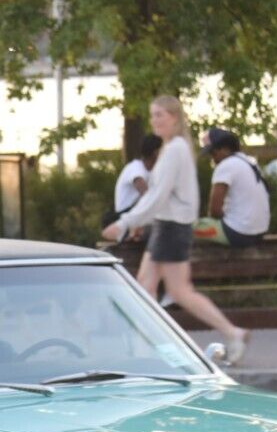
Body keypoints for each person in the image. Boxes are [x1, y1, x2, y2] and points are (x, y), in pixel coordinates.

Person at [100, 95, 251, 364]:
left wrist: (125, 223)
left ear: (175, 118)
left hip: (171, 227)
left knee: (177, 291)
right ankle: (149, 350)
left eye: (160, 115)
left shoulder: (175, 150)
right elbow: (157, 197)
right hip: (167, 226)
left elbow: (157, 195)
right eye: (152, 115)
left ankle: (227, 334)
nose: (154, 120)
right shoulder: (174, 149)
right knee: (145, 289)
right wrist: (132, 222)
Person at [194, 127, 270, 248]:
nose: (212, 159)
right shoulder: (249, 162)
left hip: (237, 234)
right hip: (259, 232)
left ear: (225, 148)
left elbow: (214, 210)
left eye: (213, 153)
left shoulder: (225, 165)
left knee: (184, 229)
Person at [106, 134, 161, 233]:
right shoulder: (136, 168)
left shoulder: (152, 171)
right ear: (155, 153)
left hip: (136, 217)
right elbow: (147, 196)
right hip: (124, 217)